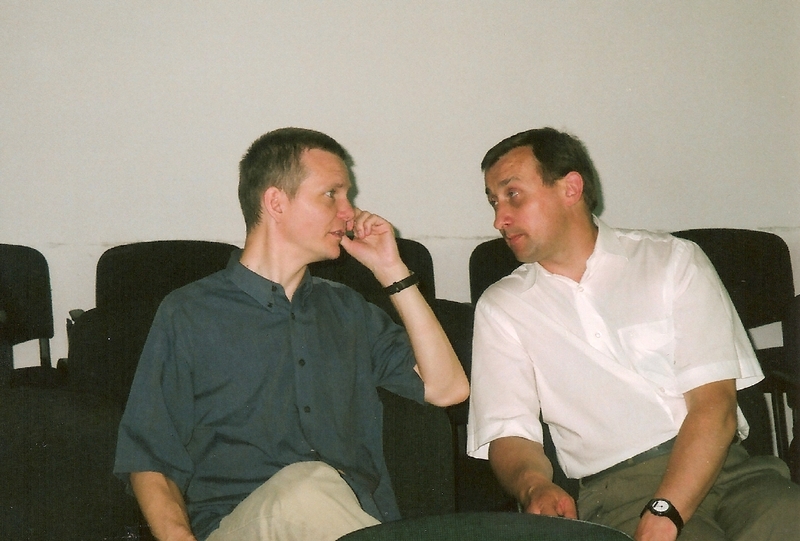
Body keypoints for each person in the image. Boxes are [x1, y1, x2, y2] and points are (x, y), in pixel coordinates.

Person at [114, 127, 469, 541]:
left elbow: (449, 389)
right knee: (306, 487)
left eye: (348, 196)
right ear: (276, 203)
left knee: (315, 490)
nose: (349, 213)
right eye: (332, 194)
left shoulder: (347, 309)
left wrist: (392, 272)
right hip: (240, 527)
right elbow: (150, 459)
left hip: (350, 525)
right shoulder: (190, 313)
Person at [466, 127, 800, 541]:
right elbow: (508, 432)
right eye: (493, 202)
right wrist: (534, 485)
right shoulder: (504, 306)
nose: (499, 219)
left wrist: (667, 508)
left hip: (728, 468)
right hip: (619, 492)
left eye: (513, 195)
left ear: (570, 188)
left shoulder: (671, 261)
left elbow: (715, 406)